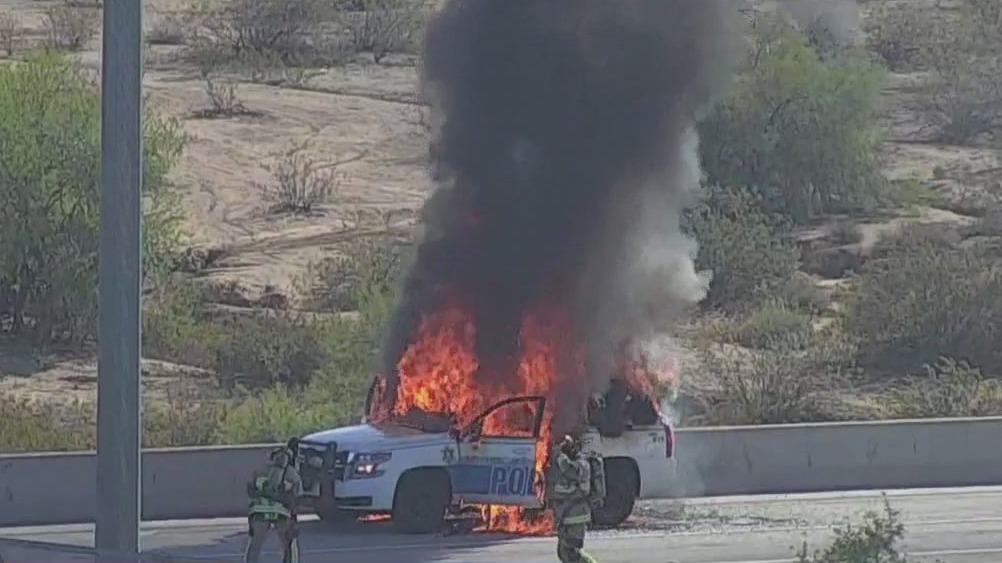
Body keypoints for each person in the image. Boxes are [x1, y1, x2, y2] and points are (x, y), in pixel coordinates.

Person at [244, 439, 304, 563]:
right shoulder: (292, 474)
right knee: (289, 545)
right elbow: (297, 496)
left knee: (255, 546)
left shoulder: (259, 470)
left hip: (259, 512)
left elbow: (251, 491)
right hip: (281, 513)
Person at [548, 435, 599, 563]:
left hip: (577, 515)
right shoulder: (561, 465)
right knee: (563, 554)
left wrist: (559, 455)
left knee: (572, 553)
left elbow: (571, 470)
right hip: (566, 516)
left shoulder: (583, 464)